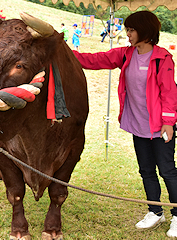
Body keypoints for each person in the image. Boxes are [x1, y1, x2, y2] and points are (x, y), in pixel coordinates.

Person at [73, 11, 177, 238]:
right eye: (127, 29)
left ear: (146, 32)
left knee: (168, 171)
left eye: (131, 30)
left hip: (160, 127)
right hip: (139, 125)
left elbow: (170, 93)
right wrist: (66, 54)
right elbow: (95, 59)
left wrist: (169, 122)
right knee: (146, 170)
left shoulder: (163, 59)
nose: (127, 34)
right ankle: (155, 211)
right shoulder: (126, 55)